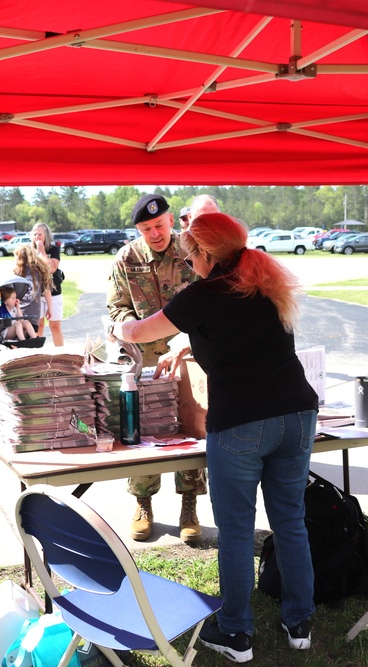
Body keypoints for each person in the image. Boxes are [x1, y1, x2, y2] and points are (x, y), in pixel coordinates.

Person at [110, 212, 318, 661]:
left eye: (191, 254)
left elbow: (142, 331)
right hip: (298, 413)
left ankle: (236, 633)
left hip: (243, 420)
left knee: (238, 531)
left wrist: (116, 327)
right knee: (290, 521)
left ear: (205, 254)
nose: (189, 261)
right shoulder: (263, 282)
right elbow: (243, 337)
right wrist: (190, 343)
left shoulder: (201, 295)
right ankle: (300, 621)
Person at [106, 193, 205, 544]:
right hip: (143, 361)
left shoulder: (191, 251)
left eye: (160, 225)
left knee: (189, 429)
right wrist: (135, 328)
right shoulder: (127, 258)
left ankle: (189, 505)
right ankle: (143, 503)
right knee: (144, 430)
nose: (155, 234)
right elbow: (116, 307)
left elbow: (207, 297)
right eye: (147, 228)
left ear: (170, 221)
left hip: (188, 357)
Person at [31, 222, 64, 346]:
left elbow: (52, 268)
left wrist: (43, 252)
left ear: (46, 235)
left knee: (55, 326)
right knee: (38, 325)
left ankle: (61, 354)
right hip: (37, 294)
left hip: (54, 292)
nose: (37, 237)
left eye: (40, 234)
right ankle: (38, 355)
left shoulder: (53, 249)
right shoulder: (30, 251)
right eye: (35, 234)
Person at [12, 244, 53, 330]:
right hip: (34, 315)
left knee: (18, 340)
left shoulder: (16, 273)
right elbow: (47, 291)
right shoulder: (40, 271)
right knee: (30, 340)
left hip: (17, 314)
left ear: (20, 258)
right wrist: (50, 308)